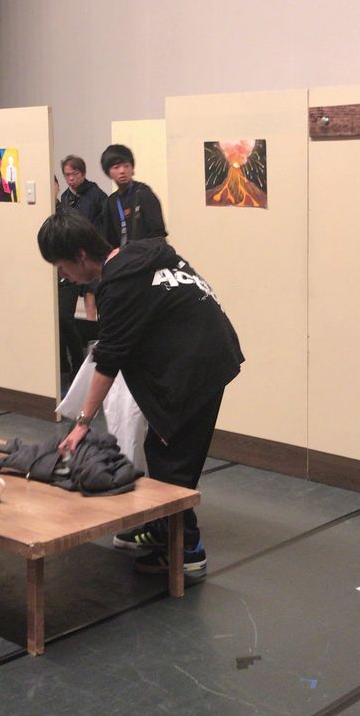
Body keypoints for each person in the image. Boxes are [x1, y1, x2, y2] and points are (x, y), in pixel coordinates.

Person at [38, 207, 242, 577]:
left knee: (172, 462)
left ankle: (187, 548)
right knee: (161, 450)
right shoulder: (139, 255)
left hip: (198, 366)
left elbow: (109, 358)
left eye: (62, 267)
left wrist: (82, 423)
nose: (63, 276)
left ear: (81, 255)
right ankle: (163, 528)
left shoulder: (119, 284)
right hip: (210, 352)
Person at [55, 154, 107, 341]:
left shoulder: (97, 195)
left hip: (92, 254)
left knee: (92, 292)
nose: (71, 178)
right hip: (73, 255)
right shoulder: (65, 197)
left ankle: (95, 335)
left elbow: (104, 225)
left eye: (74, 174)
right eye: (67, 175)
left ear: (83, 173)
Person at [100, 143, 167, 249]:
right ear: (108, 172)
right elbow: (109, 240)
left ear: (132, 168)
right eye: (116, 167)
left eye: (126, 166)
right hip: (123, 257)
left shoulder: (144, 194)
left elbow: (158, 236)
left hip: (146, 255)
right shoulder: (111, 202)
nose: (122, 171)